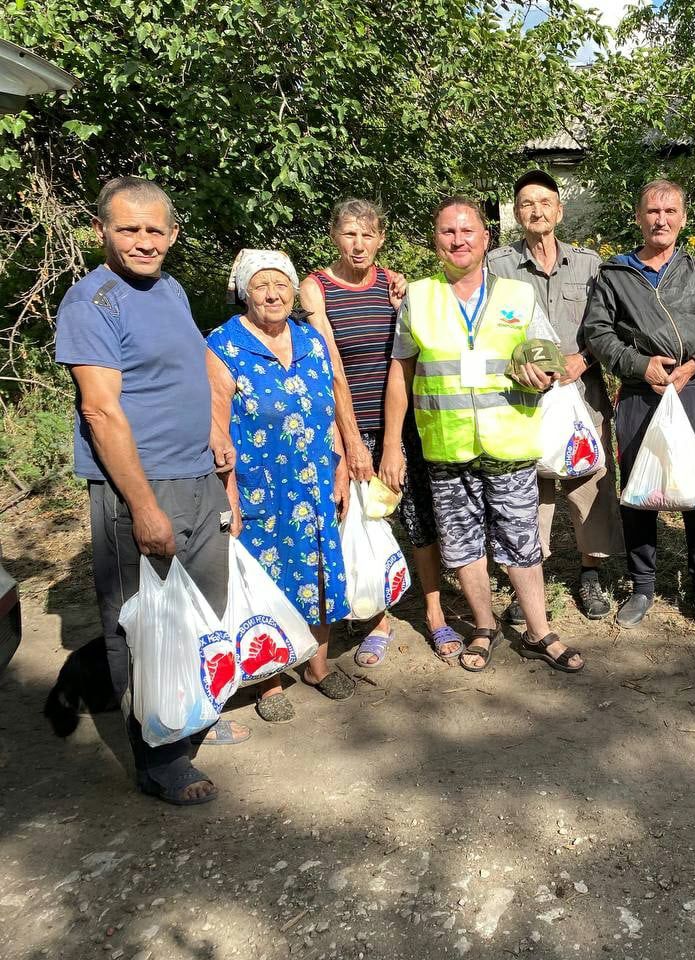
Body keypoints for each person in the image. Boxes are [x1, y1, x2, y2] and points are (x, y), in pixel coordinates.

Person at [55, 175, 246, 806]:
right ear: (101, 231)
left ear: (172, 233)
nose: (143, 241)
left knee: (198, 611)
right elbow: (100, 410)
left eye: (154, 229)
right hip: (141, 484)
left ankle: (190, 716)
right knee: (142, 626)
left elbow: (192, 367)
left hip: (196, 475)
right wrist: (142, 507)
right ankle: (158, 758)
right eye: (128, 229)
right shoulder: (92, 303)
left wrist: (215, 431)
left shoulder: (170, 289)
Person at [382, 197, 585, 674]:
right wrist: (392, 443)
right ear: (436, 240)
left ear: (486, 238)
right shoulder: (418, 298)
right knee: (461, 543)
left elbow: (549, 355)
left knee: (521, 541)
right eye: (448, 232)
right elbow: (400, 373)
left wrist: (542, 372)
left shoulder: (518, 294)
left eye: (467, 231)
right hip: (446, 448)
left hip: (509, 443)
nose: (458, 240)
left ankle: (539, 632)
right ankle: (484, 626)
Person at [299, 199, 460, 667]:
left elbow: (411, 354)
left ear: (381, 238)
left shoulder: (394, 285)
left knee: (419, 518)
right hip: (346, 425)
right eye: (349, 233)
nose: (358, 244)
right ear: (334, 236)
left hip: (403, 424)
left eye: (367, 235)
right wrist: (351, 443)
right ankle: (376, 619)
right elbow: (329, 366)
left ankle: (434, 612)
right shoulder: (315, 288)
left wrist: (394, 442)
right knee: (364, 522)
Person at [583, 179, 695, 631]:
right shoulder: (616, 274)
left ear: (683, 218)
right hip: (638, 394)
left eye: (671, 211)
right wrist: (639, 365)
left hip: (688, 391)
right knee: (639, 491)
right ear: (639, 217)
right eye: (653, 211)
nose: (661, 219)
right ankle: (642, 586)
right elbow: (598, 332)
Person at [206, 250, 356, 723]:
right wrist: (228, 493)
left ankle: (316, 664)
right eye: (260, 286)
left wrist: (342, 469)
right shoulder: (223, 345)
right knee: (266, 581)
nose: (272, 295)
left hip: (316, 480)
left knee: (320, 572)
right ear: (244, 293)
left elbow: (329, 409)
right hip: (261, 488)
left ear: (294, 290)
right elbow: (215, 426)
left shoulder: (311, 339)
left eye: (281, 285)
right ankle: (269, 679)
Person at [487, 170, 624, 622]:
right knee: (530, 488)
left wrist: (584, 359)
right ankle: (529, 577)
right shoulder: (497, 266)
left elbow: (609, 325)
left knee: (590, 481)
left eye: (545, 202)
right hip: (524, 398)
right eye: (527, 203)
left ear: (559, 210)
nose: (537, 211)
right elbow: (485, 331)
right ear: (516, 213)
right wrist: (518, 369)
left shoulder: (589, 265)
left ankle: (591, 572)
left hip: (581, 393)